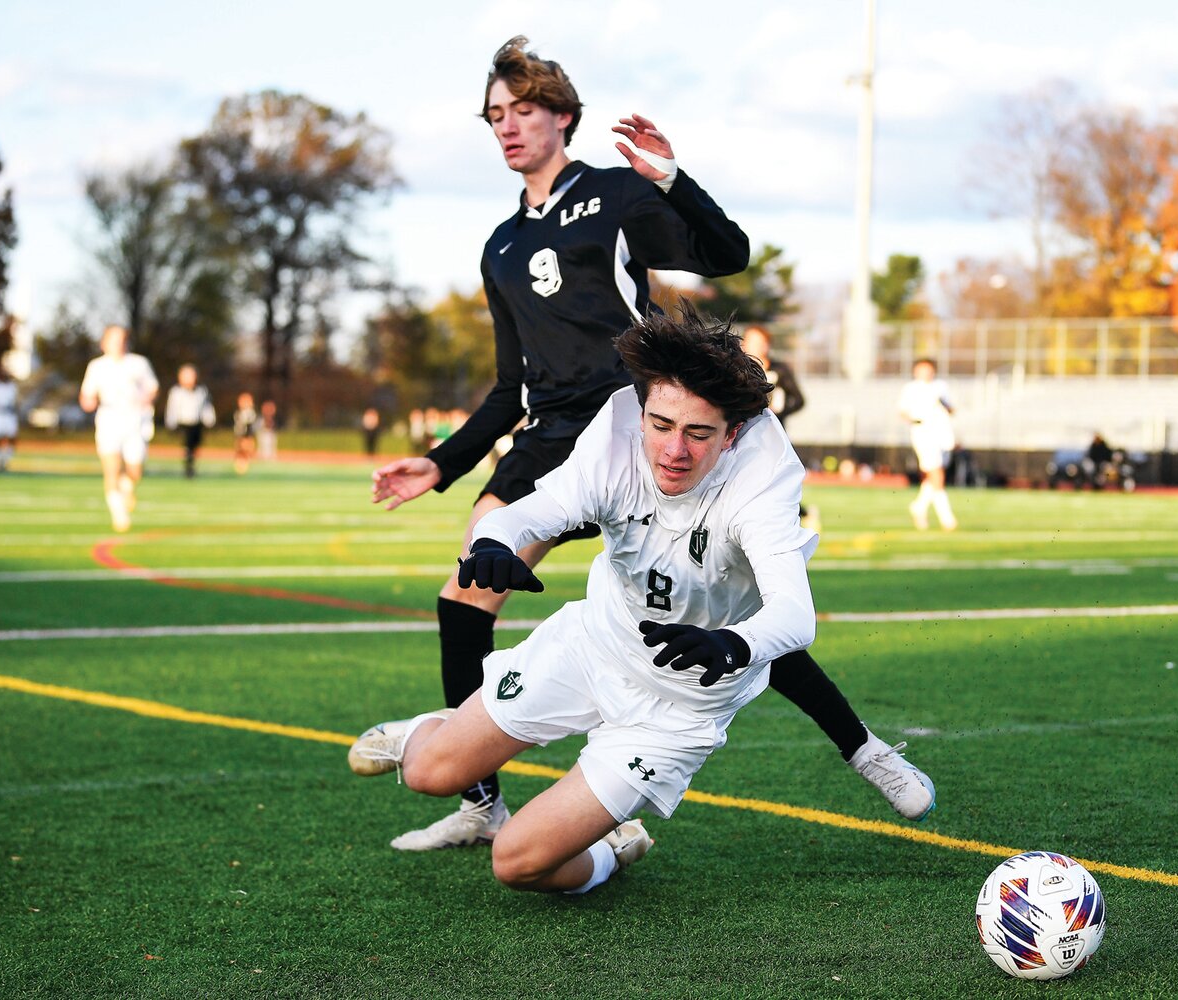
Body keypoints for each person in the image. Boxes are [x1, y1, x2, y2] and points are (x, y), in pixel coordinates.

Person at [368, 36, 933, 853]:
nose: (508, 127)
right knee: (467, 589)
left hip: (643, 420)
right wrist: (445, 463)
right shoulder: (499, 246)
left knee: (725, 599)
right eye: (495, 115)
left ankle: (864, 748)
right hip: (555, 432)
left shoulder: (609, 198)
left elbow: (726, 255)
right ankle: (480, 800)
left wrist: (670, 178)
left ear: (563, 116)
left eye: (524, 110)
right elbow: (507, 386)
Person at [350, 309, 934, 896]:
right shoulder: (614, 437)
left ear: (732, 434)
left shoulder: (762, 474)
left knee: (517, 863)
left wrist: (733, 642)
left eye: (699, 434)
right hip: (592, 646)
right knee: (430, 773)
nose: (674, 450)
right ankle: (427, 730)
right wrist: (496, 540)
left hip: (678, 708)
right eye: (661, 425)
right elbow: (531, 511)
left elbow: (794, 613)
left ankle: (610, 851)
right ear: (643, 411)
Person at [79, 325, 158, 532]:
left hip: (134, 420)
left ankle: (127, 485)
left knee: (135, 471)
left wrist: (146, 397)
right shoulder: (96, 366)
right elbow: (87, 394)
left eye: (121, 339)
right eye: (113, 339)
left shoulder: (139, 363)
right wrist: (88, 401)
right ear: (104, 343)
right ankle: (119, 514)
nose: (118, 343)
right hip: (109, 419)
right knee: (111, 469)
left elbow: (152, 387)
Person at [741, 324, 818, 531]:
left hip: (771, 433)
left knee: (774, 477)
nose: (755, 347)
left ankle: (799, 514)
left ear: (768, 345)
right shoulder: (736, 366)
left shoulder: (779, 370)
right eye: (751, 341)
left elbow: (799, 399)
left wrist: (778, 412)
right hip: (740, 431)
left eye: (760, 342)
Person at [898, 357, 957, 531]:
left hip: (942, 433)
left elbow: (951, 409)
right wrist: (916, 419)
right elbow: (902, 412)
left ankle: (919, 506)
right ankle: (947, 518)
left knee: (935, 475)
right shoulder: (910, 389)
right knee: (936, 474)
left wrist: (943, 404)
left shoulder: (941, 386)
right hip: (923, 432)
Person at [164, 364, 217, 478]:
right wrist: (171, 422)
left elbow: (206, 407)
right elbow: (171, 408)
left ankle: (191, 464)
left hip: (196, 423)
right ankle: (188, 467)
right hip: (183, 423)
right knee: (187, 447)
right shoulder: (176, 392)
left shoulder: (201, 391)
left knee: (195, 446)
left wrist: (209, 419)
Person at [233, 393, 259, 474]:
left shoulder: (250, 413)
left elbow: (250, 424)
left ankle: (244, 466)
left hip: (247, 435)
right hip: (240, 435)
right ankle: (241, 466)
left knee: (247, 452)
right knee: (240, 452)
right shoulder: (238, 412)